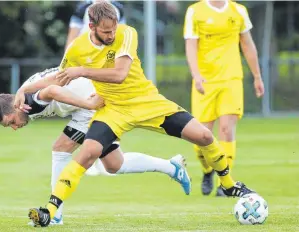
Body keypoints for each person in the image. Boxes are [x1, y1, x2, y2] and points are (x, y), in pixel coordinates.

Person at [27, 2, 255, 227]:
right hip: (113, 110)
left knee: (204, 136)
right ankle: (50, 211)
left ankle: (228, 184)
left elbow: (120, 74)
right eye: (106, 31)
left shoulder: (127, 33)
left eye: (113, 28)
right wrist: (23, 90)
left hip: (147, 102)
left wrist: (82, 71)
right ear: (92, 26)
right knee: (89, 153)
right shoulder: (77, 48)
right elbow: (59, 77)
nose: (111, 34)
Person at [0, 67, 191, 226]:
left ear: (15, 108)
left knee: (60, 148)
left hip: (92, 102)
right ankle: (172, 167)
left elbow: (52, 90)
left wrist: (89, 105)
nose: (14, 127)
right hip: (87, 103)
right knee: (114, 164)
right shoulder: (23, 96)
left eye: (11, 122)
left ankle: (55, 215)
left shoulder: (27, 102)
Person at [183, 0, 264, 196]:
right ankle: (207, 171)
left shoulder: (238, 11)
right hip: (205, 81)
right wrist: (196, 75)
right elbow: (191, 46)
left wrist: (257, 76)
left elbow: (248, 45)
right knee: (201, 136)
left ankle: (225, 183)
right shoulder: (195, 11)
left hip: (231, 78)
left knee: (227, 129)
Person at [65, 0, 126, 175]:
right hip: (84, 67)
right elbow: (72, 38)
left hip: (106, 67)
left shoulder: (118, 8)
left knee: (107, 112)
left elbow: (122, 39)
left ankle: (105, 157)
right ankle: (89, 158)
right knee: (86, 111)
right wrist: (68, 66)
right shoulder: (82, 9)